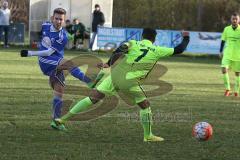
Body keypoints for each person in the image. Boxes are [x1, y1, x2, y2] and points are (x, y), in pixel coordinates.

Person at [55, 28, 190, 142]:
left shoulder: (133, 42)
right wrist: (186, 37)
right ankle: (148, 136)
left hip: (115, 75)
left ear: (142, 36)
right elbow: (179, 49)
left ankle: (62, 119)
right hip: (129, 81)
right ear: (154, 39)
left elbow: (119, 50)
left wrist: (109, 63)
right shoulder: (157, 49)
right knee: (145, 106)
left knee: (93, 98)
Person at [19, 8, 103, 130]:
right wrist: (36, 45)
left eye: (61, 19)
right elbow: (45, 45)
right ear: (52, 18)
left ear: (64, 21)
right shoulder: (45, 25)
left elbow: (48, 52)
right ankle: (88, 81)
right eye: (57, 18)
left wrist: (29, 53)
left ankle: (56, 121)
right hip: (46, 62)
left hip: (53, 59)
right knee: (69, 63)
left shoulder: (61, 37)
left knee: (59, 90)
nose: (58, 21)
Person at [219, 13, 240, 97]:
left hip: (238, 55)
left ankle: (236, 91)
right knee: (224, 69)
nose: (234, 20)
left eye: (236, 19)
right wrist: (220, 51)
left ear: (238, 20)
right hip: (227, 53)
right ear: (231, 20)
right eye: (233, 19)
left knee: (237, 74)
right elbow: (223, 41)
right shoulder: (226, 29)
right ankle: (227, 89)